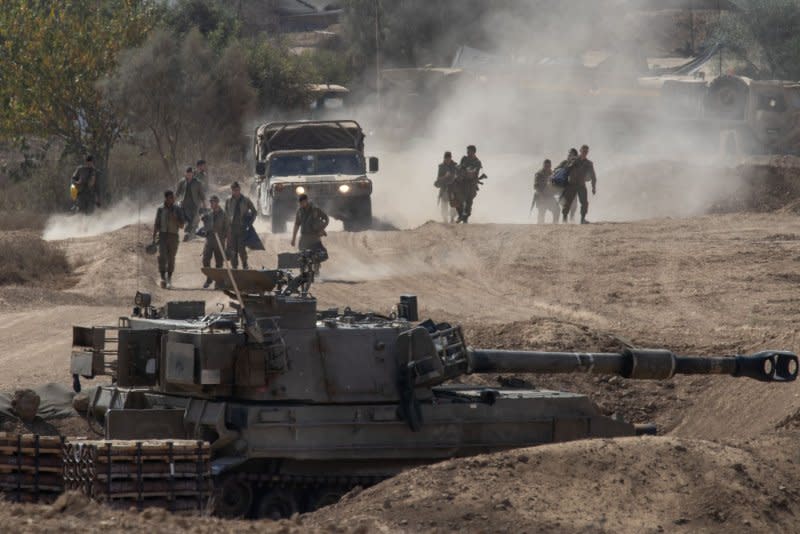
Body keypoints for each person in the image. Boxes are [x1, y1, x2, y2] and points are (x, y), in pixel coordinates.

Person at [153, 190, 185, 289]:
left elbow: (182, 225)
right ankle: (163, 277)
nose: (173, 199)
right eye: (171, 198)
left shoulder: (178, 209)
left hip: (173, 236)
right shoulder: (160, 209)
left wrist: (174, 218)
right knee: (162, 256)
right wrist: (153, 238)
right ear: (166, 199)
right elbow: (156, 224)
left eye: (173, 197)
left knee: (171, 258)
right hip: (162, 235)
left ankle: (169, 278)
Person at [561, 144, 597, 224]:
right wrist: (572, 163)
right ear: (580, 151)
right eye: (583, 151)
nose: (584, 152)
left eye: (586, 151)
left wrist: (593, 187)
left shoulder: (589, 163)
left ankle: (582, 219)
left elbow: (593, 176)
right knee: (568, 202)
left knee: (584, 203)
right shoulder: (573, 159)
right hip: (571, 185)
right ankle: (564, 219)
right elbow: (566, 169)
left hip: (581, 185)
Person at [225, 181, 257, 269]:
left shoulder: (246, 200)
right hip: (232, 229)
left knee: (241, 249)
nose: (236, 191)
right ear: (232, 190)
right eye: (234, 190)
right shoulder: (228, 200)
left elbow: (254, 212)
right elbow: (226, 214)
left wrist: (249, 223)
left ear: (240, 189)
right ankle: (234, 267)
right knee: (232, 250)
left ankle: (245, 264)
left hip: (242, 228)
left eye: (237, 190)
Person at [201, 195, 229, 289]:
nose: (211, 204)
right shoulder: (209, 213)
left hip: (219, 241)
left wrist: (224, 237)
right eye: (210, 202)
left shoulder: (223, 214)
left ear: (217, 203)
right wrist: (204, 221)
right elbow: (205, 225)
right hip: (209, 240)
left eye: (212, 202)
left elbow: (227, 228)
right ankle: (209, 278)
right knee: (205, 260)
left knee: (219, 263)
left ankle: (218, 282)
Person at [176, 166, 206, 241]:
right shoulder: (182, 182)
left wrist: (204, 203)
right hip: (184, 204)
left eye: (191, 173)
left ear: (193, 174)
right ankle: (188, 233)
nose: (189, 175)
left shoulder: (198, 183)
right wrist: (173, 200)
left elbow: (202, 194)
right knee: (187, 219)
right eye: (188, 173)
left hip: (195, 205)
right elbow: (177, 193)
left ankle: (188, 233)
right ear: (185, 174)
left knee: (192, 219)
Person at [454, 145, 483, 223]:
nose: (467, 152)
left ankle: (465, 218)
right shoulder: (464, 158)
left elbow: (475, 173)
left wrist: (469, 172)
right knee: (458, 199)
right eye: (467, 151)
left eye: (469, 151)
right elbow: (459, 168)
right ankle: (460, 216)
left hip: (471, 184)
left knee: (469, 202)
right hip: (462, 182)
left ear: (473, 152)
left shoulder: (477, 162)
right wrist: (459, 169)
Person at [554, 148, 579, 222]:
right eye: (569, 154)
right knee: (565, 203)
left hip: (573, 186)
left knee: (574, 204)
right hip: (564, 186)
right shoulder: (564, 162)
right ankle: (564, 219)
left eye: (571, 154)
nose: (569, 155)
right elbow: (556, 169)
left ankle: (572, 219)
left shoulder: (577, 164)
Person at [532, 159, 560, 224]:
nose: (547, 167)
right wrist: (541, 196)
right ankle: (539, 228)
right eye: (546, 166)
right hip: (540, 196)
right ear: (543, 166)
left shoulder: (552, 174)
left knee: (557, 210)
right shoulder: (539, 174)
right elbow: (536, 186)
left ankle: (555, 225)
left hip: (549, 196)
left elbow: (555, 185)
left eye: (549, 166)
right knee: (541, 213)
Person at [434, 151, 458, 223]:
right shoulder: (441, 166)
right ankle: (445, 220)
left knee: (453, 204)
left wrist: (455, 176)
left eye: (448, 158)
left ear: (451, 158)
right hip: (444, 188)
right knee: (444, 204)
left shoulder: (455, 165)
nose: (447, 160)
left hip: (453, 188)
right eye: (446, 158)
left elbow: (458, 176)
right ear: (444, 158)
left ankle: (452, 219)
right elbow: (438, 178)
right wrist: (445, 176)